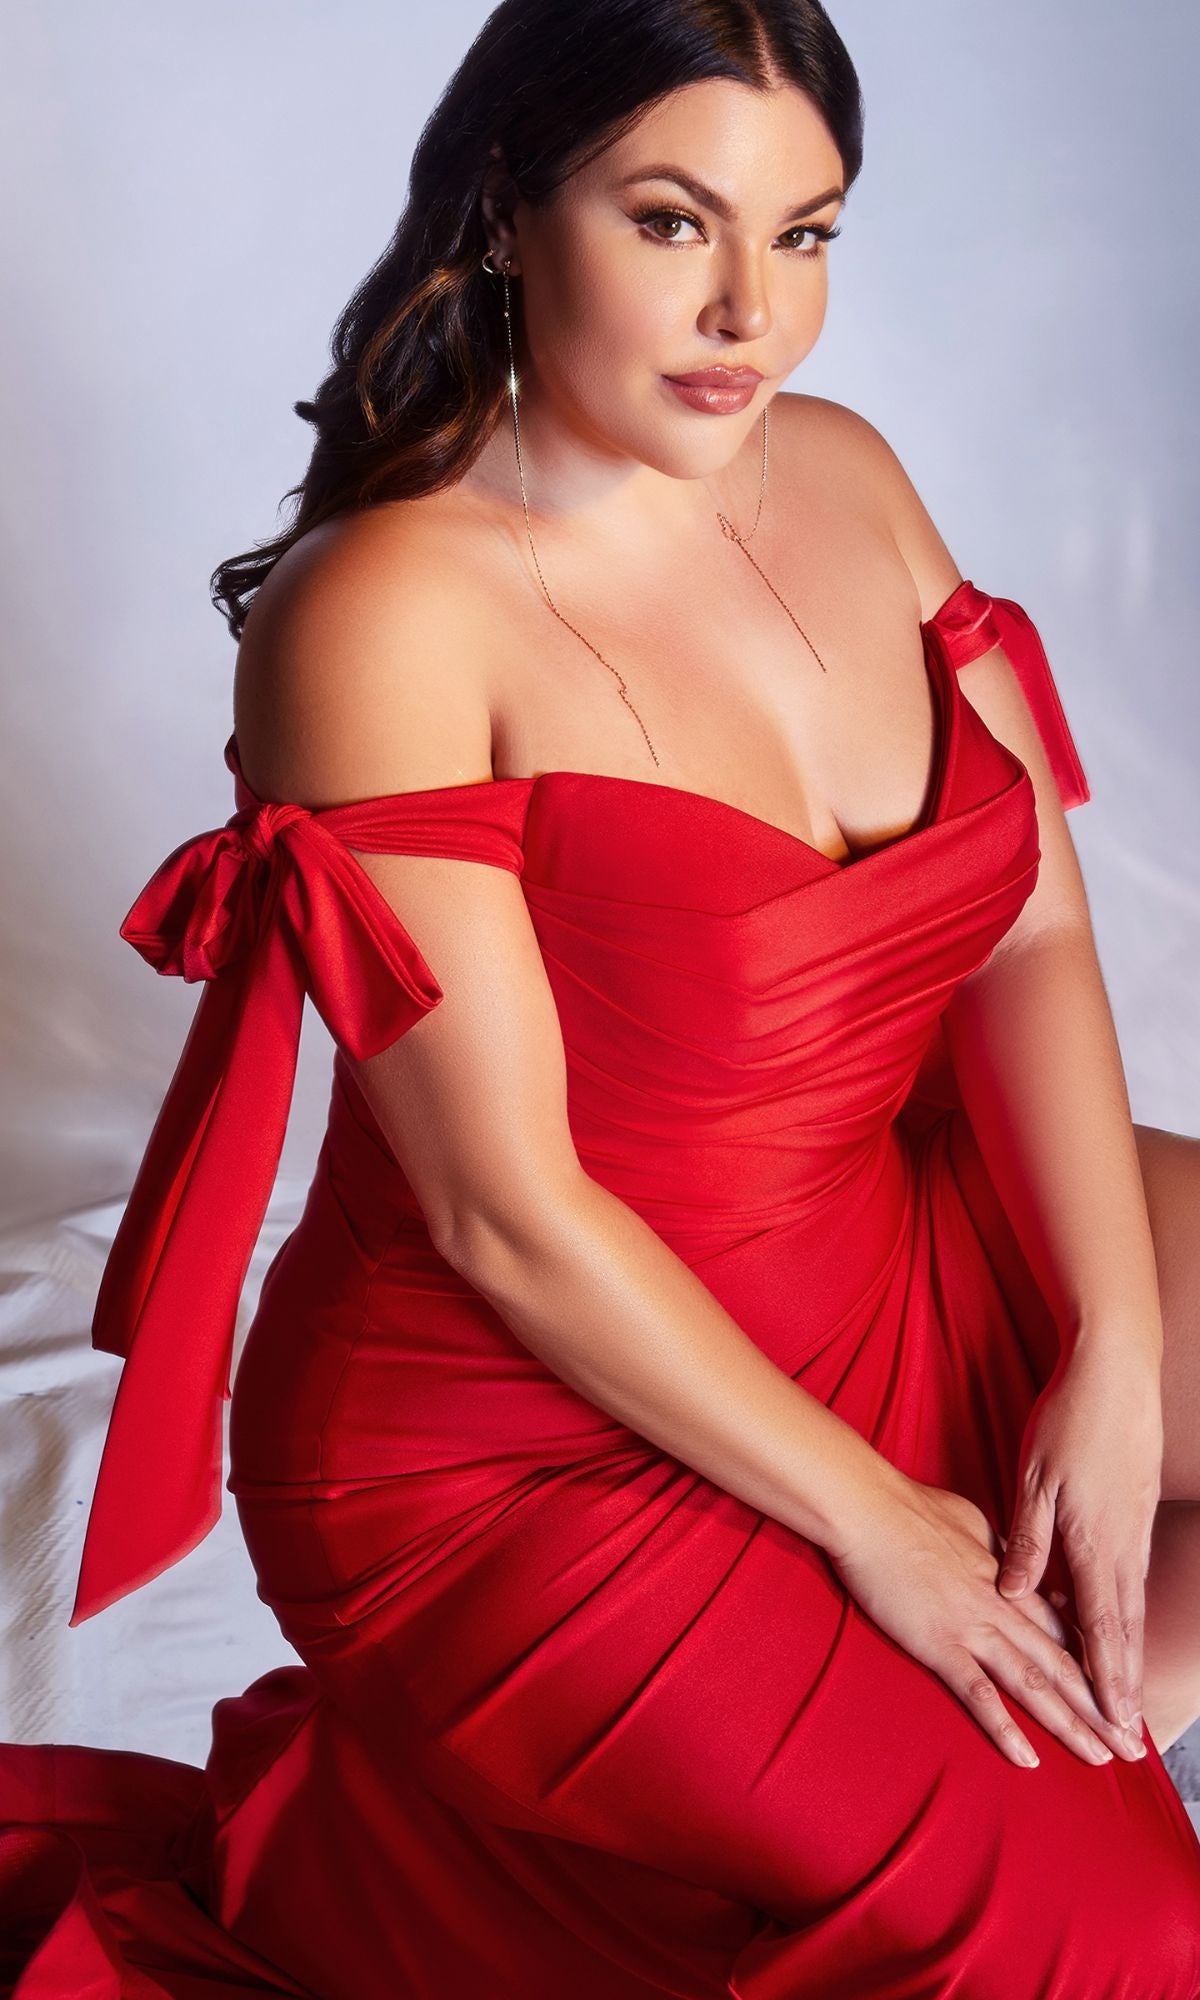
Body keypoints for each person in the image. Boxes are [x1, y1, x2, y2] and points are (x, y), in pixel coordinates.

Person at [4, 1, 1200, 1993]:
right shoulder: (381, 612)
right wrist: (886, 1530)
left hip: (879, 1232)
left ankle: (1078, 1714)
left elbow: (1035, 940)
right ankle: (1013, 1784)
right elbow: (507, 1212)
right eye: (672, 222)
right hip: (516, 1433)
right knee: (1121, 1933)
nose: (751, 312)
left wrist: (1117, 1351)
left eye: (804, 235)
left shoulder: (850, 473)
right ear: (506, 205)